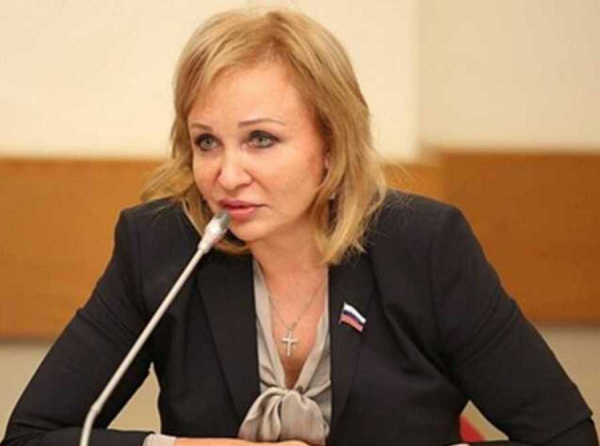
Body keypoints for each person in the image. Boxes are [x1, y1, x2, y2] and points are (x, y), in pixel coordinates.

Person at [1, 8, 598, 446]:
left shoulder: (424, 246)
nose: (225, 174)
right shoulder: (160, 246)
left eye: (260, 139)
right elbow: (33, 435)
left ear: (331, 145)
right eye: (206, 142)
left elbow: (565, 435)